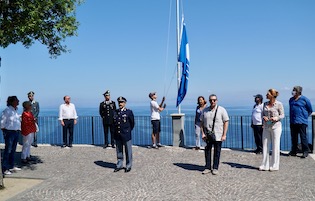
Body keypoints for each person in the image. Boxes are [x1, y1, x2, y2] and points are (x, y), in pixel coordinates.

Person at [201, 94, 229, 175]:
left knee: (217, 152)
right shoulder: (205, 110)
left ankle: (215, 168)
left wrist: (224, 134)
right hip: (207, 135)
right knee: (207, 151)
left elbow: (226, 121)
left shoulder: (221, 110)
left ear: (216, 100)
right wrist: (202, 133)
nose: (212, 101)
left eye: (214, 100)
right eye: (211, 100)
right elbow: (202, 123)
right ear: (209, 101)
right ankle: (207, 167)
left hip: (218, 134)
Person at [259, 89, 285, 171]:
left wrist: (276, 118)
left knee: (275, 146)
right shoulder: (265, 104)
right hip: (267, 126)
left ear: (272, 95)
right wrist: (264, 117)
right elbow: (262, 113)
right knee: (265, 145)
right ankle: (264, 165)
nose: (266, 95)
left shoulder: (279, 104)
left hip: (276, 127)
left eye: (267, 94)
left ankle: (275, 165)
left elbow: (282, 115)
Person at [289, 86, 313, 158]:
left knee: (303, 137)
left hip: (302, 122)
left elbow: (310, 110)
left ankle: (305, 151)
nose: (293, 91)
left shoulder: (305, 99)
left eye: (294, 90)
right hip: (293, 121)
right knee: (294, 137)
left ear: (298, 91)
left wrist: (304, 116)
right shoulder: (291, 100)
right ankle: (294, 151)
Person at [113, 96, 135, 173]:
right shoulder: (115, 112)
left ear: (125, 103)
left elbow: (132, 123)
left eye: (122, 102)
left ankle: (128, 165)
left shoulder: (129, 112)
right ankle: (119, 165)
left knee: (128, 151)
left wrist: (128, 131)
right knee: (119, 151)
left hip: (126, 135)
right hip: (118, 135)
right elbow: (114, 123)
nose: (120, 104)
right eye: (119, 102)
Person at [1, 96, 22, 175]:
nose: (18, 101)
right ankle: (5, 168)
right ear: (12, 102)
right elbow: (2, 123)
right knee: (8, 150)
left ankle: (11, 165)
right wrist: (5, 131)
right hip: (9, 132)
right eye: (16, 100)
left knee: (13, 150)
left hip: (16, 132)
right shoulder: (7, 111)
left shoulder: (15, 111)